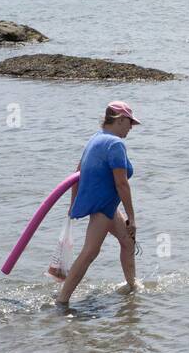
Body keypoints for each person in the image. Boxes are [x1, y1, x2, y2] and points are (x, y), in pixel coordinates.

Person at [55, 101, 141, 305]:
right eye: (130, 123)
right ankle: (62, 300)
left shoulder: (95, 138)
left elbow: (77, 173)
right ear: (120, 120)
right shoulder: (115, 144)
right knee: (90, 251)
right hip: (103, 207)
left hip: (108, 206)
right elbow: (121, 183)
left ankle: (132, 288)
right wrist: (132, 217)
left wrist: (73, 204)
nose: (131, 128)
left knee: (128, 243)